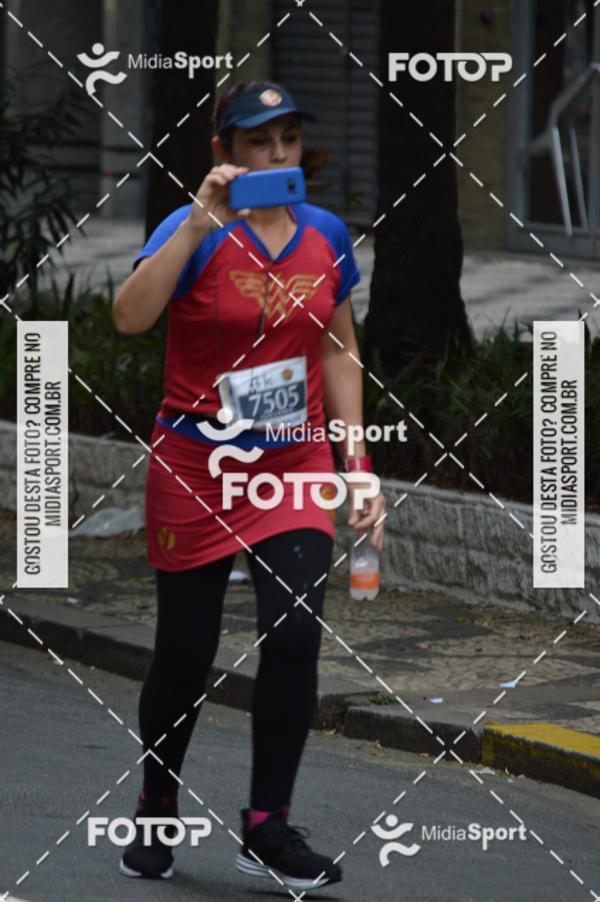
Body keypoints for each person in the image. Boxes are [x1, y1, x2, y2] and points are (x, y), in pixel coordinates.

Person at [112, 79, 385, 892]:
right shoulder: (190, 230)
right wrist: (200, 218)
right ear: (224, 152)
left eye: (288, 142)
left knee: (295, 633)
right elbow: (128, 318)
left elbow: (338, 351)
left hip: (291, 466)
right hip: (196, 468)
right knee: (184, 658)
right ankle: (157, 805)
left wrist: (358, 465)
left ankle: (267, 825)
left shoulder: (326, 234)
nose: (275, 156)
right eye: (258, 143)